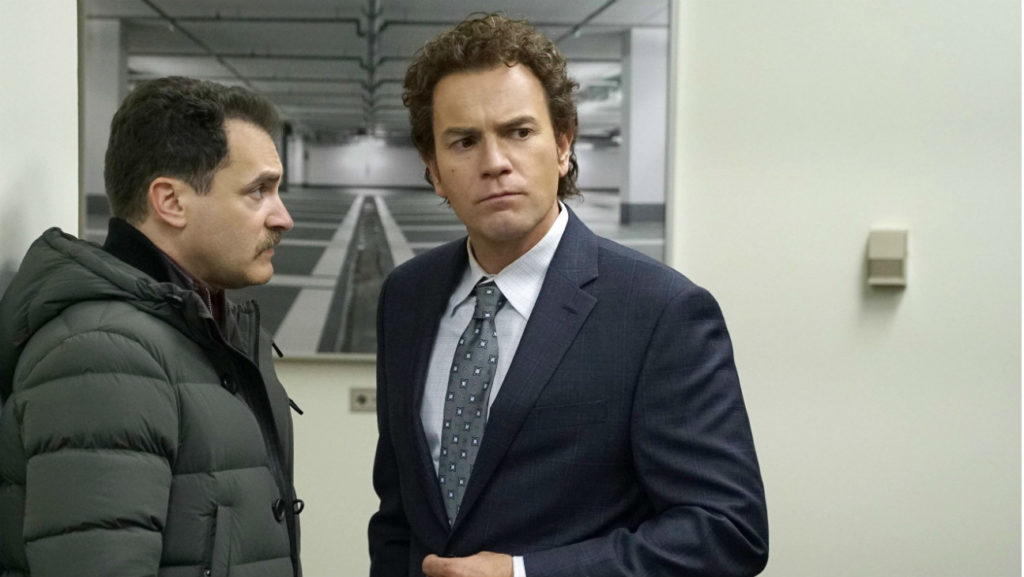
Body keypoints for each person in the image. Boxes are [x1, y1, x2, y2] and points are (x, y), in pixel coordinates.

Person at [368, 13, 768, 577]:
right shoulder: (406, 297)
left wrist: (522, 573)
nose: (494, 163)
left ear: (562, 145)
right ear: (433, 170)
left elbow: (726, 531)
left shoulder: (659, 311)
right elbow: (398, 516)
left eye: (519, 132)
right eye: (465, 141)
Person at [0, 76, 303, 576]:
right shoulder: (102, 355)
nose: (283, 218)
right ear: (170, 202)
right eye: (259, 191)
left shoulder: (204, 334)